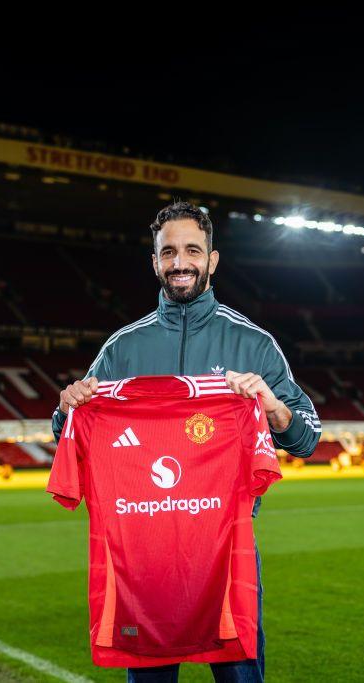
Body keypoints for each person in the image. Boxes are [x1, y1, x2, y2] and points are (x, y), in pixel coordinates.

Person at [51, 201, 322, 682]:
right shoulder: (122, 348)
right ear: (154, 261)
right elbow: (71, 434)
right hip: (143, 551)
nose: (180, 263)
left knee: (240, 675)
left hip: (226, 545)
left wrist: (272, 407)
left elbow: (308, 435)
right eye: (168, 252)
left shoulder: (253, 343)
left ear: (212, 260)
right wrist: (68, 407)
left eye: (192, 250)